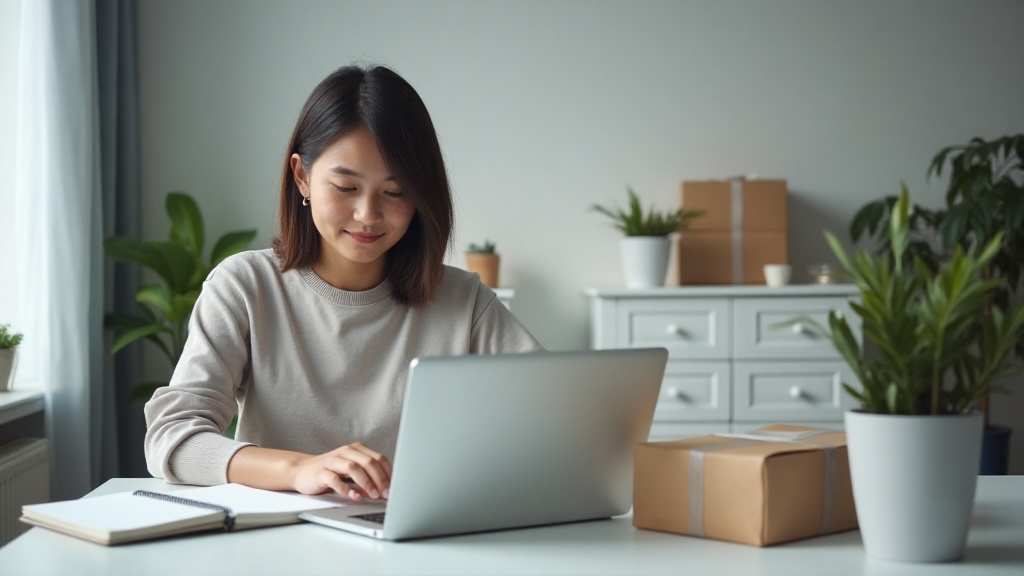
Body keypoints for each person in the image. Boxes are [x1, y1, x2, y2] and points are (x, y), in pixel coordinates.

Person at [144, 65, 543, 502]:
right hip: (275, 544)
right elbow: (174, 437)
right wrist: (299, 469)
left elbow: (557, 415)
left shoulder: (464, 303)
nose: (368, 214)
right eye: (346, 187)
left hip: (415, 545)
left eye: (395, 192)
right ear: (302, 177)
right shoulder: (244, 287)